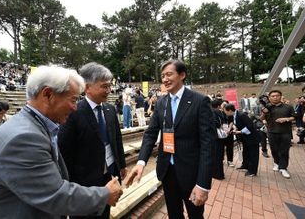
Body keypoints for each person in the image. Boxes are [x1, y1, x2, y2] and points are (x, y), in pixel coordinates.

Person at [0, 66, 123, 219]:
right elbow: (55, 194)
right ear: (48, 94)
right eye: (73, 100)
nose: (75, 107)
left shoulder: (30, 127)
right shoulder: (25, 139)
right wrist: (105, 195)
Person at [124, 59, 214, 219]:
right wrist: (141, 162)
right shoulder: (161, 102)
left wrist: (203, 184)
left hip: (191, 174)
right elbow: (151, 133)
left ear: (182, 75)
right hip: (167, 171)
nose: (165, 79)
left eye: (169, 74)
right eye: (162, 75)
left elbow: (208, 144)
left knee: (195, 215)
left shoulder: (199, 101)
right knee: (174, 214)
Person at [58, 63, 127, 219]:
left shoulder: (109, 110)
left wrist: (121, 165)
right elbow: (65, 151)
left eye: (110, 86)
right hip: (84, 184)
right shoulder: (74, 112)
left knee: (105, 214)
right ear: (87, 87)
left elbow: (116, 139)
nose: (108, 90)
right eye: (104, 86)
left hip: (107, 177)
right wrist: (68, 186)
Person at [260, 90, 295, 179]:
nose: (275, 97)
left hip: (285, 132)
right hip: (272, 132)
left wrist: (286, 119)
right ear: (269, 98)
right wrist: (264, 114)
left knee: (284, 151)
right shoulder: (267, 107)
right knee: (274, 150)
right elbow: (261, 118)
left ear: (280, 96)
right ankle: (276, 162)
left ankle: (283, 168)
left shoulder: (288, 107)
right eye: (273, 96)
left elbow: (293, 117)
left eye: (277, 95)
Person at [224, 104, 260, 177]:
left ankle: (252, 171)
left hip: (252, 138)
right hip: (245, 138)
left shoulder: (241, 115)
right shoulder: (234, 115)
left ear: (230, 111)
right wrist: (235, 129)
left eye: (225, 111)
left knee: (253, 154)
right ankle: (245, 165)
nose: (225, 113)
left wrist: (239, 132)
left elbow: (250, 126)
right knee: (246, 152)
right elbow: (238, 124)